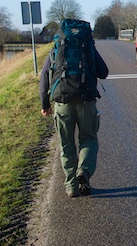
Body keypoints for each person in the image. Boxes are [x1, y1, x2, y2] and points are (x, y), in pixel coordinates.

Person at [39, 27, 109, 198]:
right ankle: (83, 171)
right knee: (89, 138)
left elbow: (44, 76)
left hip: (62, 101)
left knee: (66, 143)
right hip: (86, 101)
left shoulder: (57, 47)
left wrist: (45, 104)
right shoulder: (88, 47)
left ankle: (71, 186)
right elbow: (104, 72)